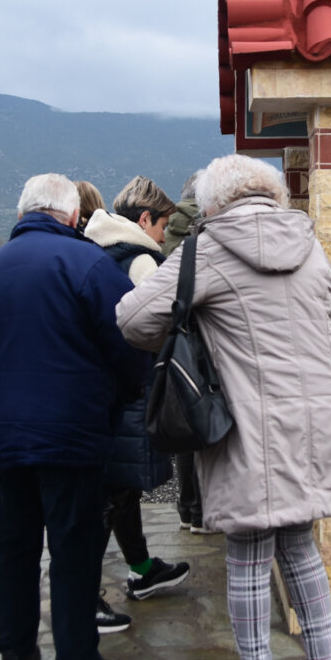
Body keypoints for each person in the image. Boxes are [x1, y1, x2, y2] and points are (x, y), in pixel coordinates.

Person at [116, 154, 331, 660]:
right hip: (315, 424)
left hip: (249, 429)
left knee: (249, 553)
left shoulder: (206, 249)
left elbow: (132, 318)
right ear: (270, 193)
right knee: (300, 545)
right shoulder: (309, 244)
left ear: (211, 203)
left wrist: (200, 332)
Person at [0, 173, 147, 660]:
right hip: (76, 433)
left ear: (22, 214)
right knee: (74, 548)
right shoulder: (89, 264)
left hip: (10, 435)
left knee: (13, 544)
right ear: (73, 216)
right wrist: (122, 395)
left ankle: (16, 652)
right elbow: (130, 340)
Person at [82, 176, 190, 606]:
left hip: (96, 388)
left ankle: (142, 568)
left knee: (120, 486)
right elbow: (159, 325)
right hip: (127, 388)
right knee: (113, 493)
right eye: (162, 226)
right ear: (145, 220)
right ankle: (83, 594)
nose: (163, 237)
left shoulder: (95, 251)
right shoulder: (142, 261)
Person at [159, 170, 212, 535]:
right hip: (205, 339)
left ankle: (186, 509)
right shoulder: (207, 231)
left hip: (175, 340)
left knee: (183, 422)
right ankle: (205, 513)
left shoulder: (169, 232)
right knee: (209, 422)